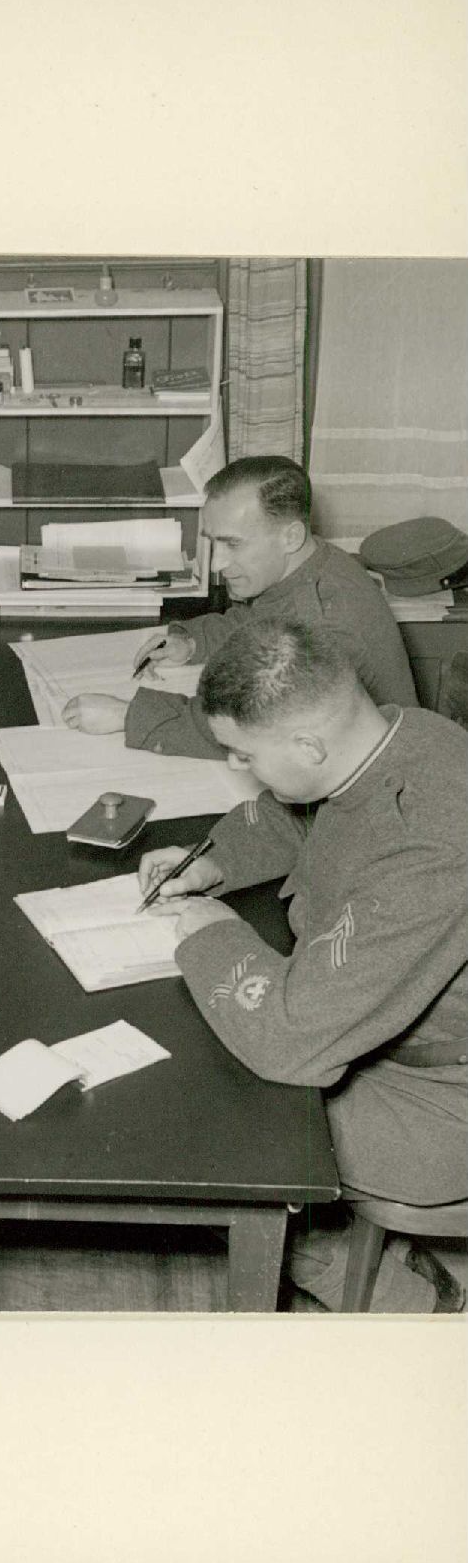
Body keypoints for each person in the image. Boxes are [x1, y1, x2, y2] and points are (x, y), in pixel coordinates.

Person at [138, 619, 467, 1312]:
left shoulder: (430, 845)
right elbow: (309, 814)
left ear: (309, 745)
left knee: (200, 1119)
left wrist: (211, 931)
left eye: (244, 755)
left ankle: (386, 1288)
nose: (239, 768)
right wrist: (212, 862)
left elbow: (291, 1040)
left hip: (440, 1099)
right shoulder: (398, 736)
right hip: (389, 1032)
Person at [60, 455, 417, 758]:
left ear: (291, 536)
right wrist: (192, 643)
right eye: (213, 543)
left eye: (232, 544)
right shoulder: (310, 565)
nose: (217, 564)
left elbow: (257, 726)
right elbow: (261, 620)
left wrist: (127, 715)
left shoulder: (325, 622)